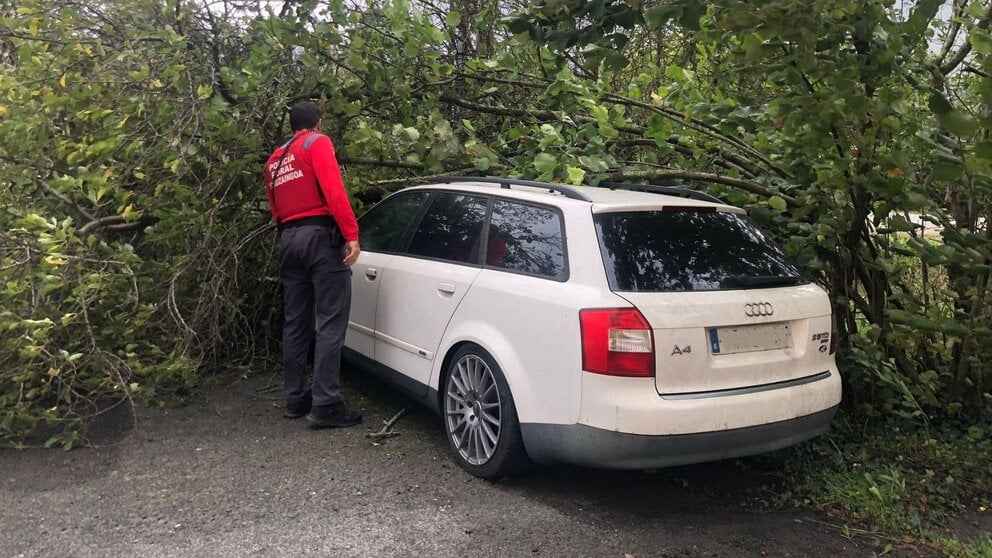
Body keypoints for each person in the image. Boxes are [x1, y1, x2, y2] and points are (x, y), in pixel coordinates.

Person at [264, 101, 362, 428]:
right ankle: (326, 404)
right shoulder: (317, 143)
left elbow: (274, 205)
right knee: (330, 322)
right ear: (318, 123)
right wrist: (351, 234)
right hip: (318, 237)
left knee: (295, 323)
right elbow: (334, 191)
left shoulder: (276, 158)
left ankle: (296, 398)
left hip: (288, 239)